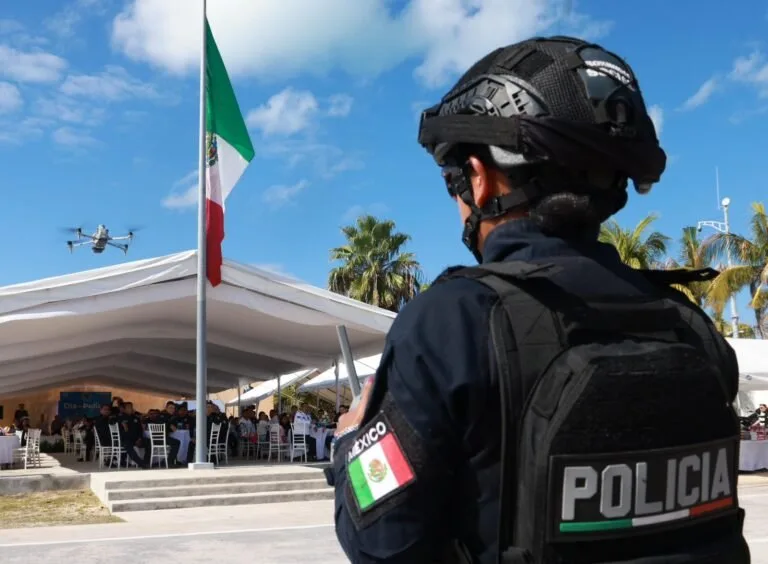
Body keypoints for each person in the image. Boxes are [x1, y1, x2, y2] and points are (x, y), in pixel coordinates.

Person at [328, 36, 748, 563]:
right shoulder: (688, 323)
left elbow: (383, 544)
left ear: (479, 181)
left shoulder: (453, 321)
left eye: (454, 183)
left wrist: (348, 447)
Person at [156, 401, 181, 466]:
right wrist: (169, 425)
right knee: (177, 442)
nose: (172, 409)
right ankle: (170, 461)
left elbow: (174, 429)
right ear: (166, 408)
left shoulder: (170, 417)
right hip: (161, 439)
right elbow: (173, 429)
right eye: (170, 408)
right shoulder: (165, 416)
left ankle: (171, 460)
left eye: (173, 408)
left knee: (174, 442)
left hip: (158, 439)